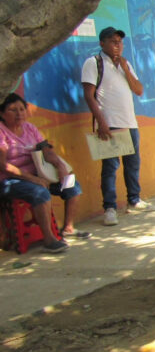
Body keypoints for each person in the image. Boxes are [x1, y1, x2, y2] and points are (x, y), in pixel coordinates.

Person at [82, 26, 155, 226]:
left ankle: (134, 199)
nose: (117, 45)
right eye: (113, 41)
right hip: (110, 124)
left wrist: (124, 67)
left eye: (120, 42)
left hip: (130, 122)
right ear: (102, 43)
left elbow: (139, 90)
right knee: (110, 168)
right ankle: (110, 208)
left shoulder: (126, 64)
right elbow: (89, 96)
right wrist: (102, 122)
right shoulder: (93, 63)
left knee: (133, 164)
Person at [0, 94, 91, 253]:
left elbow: (46, 150)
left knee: (71, 185)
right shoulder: (2, 132)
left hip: (36, 176)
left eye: (22, 109)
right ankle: (49, 239)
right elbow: (3, 166)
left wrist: (59, 165)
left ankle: (68, 228)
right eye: (12, 110)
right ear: (2, 113)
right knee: (39, 192)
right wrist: (33, 179)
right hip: (10, 179)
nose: (19, 113)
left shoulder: (30, 128)